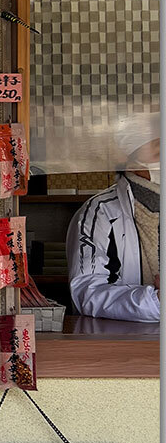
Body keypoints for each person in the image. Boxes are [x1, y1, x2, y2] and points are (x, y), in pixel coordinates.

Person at [66, 138, 160, 322]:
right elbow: (87, 292)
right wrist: (154, 301)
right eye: (157, 153)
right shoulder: (100, 211)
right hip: (128, 345)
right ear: (128, 159)